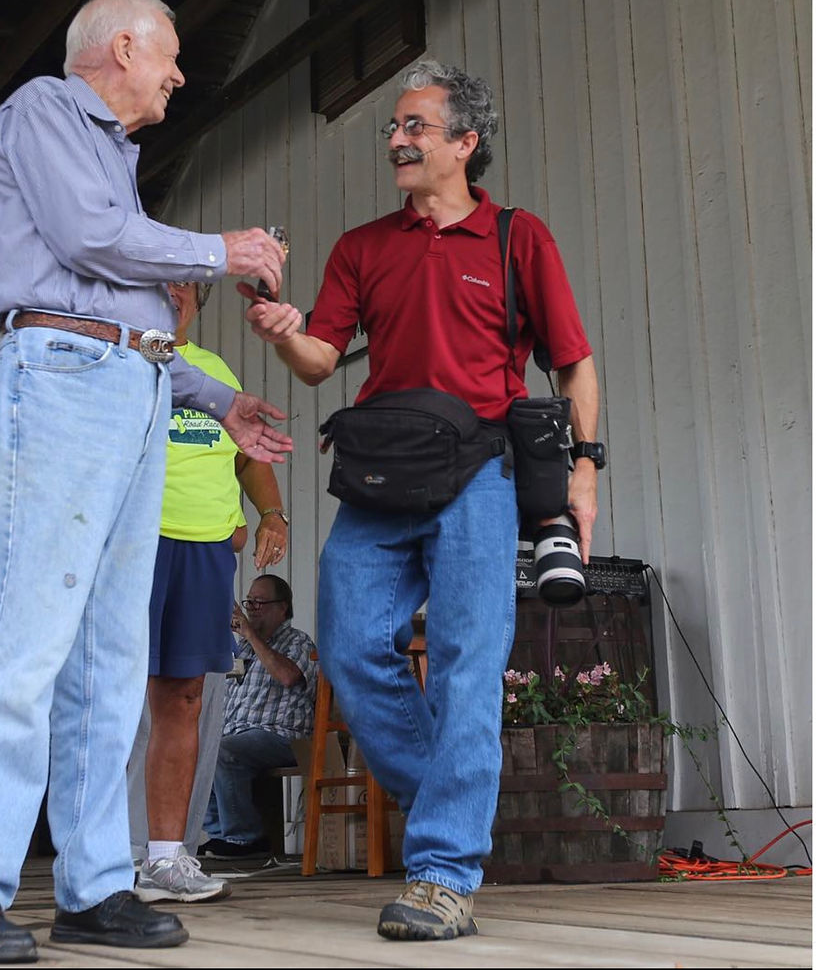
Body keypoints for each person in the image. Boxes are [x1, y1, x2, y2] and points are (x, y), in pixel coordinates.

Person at [0, 0, 291, 965]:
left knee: (110, 662)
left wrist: (218, 404)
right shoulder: (44, 109)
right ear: (120, 46)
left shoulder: (114, 158)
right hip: (65, 377)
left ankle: (94, 886)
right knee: (26, 637)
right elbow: (87, 239)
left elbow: (131, 309)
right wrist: (223, 250)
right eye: (167, 57)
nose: (175, 76)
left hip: (128, 387)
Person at [242, 59, 601, 940]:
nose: (397, 141)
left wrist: (584, 471)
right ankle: (455, 796)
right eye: (393, 129)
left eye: (415, 127)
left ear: (465, 143)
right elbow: (324, 358)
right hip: (379, 476)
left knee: (468, 664)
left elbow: (571, 361)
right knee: (355, 654)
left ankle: (443, 871)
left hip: (482, 471)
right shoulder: (363, 247)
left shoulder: (520, 238)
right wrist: (288, 331)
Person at [128, 280, 289, 904]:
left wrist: (269, 514)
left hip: (204, 549)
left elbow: (249, 456)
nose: (173, 294)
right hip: (134, 542)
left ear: (197, 300)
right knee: (114, 697)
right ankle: (108, 853)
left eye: (186, 286)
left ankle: (167, 857)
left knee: (185, 699)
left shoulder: (214, 370)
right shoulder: (122, 354)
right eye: (161, 282)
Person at [201, 575, 316, 859]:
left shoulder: (298, 641)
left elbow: (288, 676)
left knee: (223, 751)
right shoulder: (241, 648)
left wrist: (250, 634)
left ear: (283, 608)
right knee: (196, 747)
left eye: (260, 603)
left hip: (285, 737)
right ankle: (217, 836)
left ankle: (244, 839)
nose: (251, 608)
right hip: (239, 736)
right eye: (249, 602)